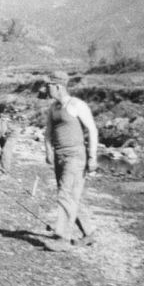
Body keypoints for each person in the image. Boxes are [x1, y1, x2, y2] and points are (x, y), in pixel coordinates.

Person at [41, 70, 99, 251]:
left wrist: (92, 156)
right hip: (60, 156)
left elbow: (92, 130)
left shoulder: (76, 105)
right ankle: (88, 234)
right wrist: (49, 151)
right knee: (71, 196)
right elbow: (48, 132)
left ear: (58, 86)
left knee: (65, 195)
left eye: (48, 85)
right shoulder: (53, 108)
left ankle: (62, 239)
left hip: (75, 156)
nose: (46, 89)